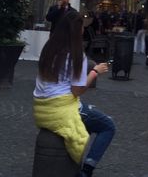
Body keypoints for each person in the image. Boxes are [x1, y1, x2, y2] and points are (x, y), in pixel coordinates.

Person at [33, 11, 115, 177]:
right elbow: (77, 90)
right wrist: (95, 71)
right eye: (81, 27)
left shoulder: (48, 48)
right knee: (108, 126)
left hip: (41, 108)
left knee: (89, 121)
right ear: (77, 30)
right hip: (60, 109)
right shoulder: (76, 54)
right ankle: (86, 171)